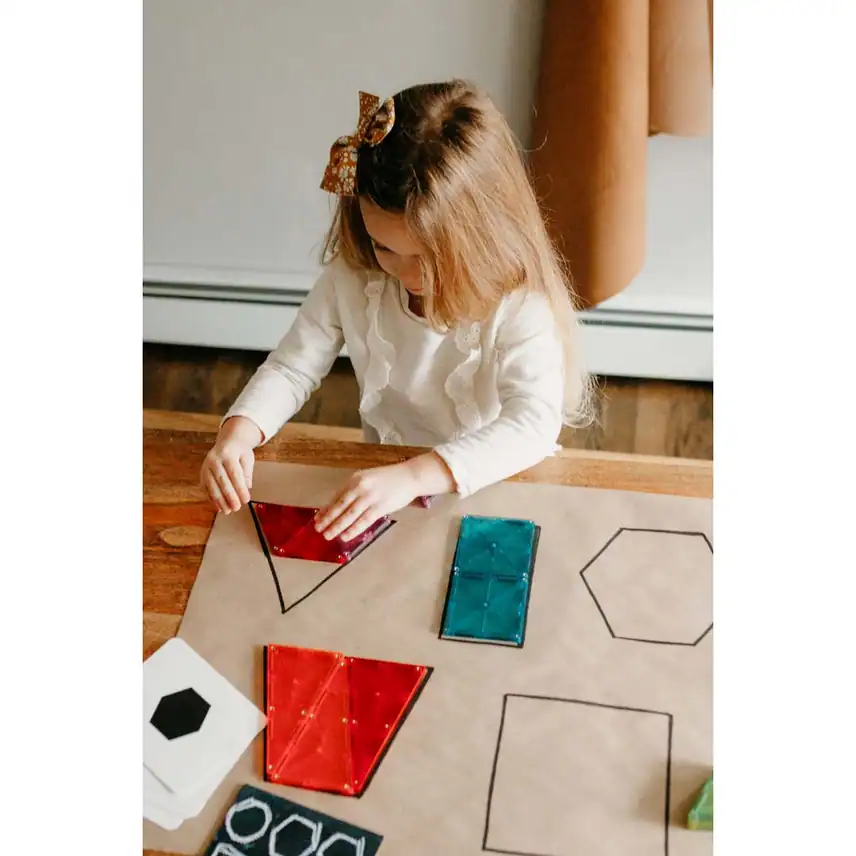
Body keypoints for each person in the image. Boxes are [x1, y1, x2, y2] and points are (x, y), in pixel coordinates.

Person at [200, 80, 592, 543]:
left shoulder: (517, 301)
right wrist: (239, 434)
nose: (405, 273)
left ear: (482, 238)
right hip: (385, 484)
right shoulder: (356, 274)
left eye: (428, 257)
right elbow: (292, 368)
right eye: (384, 247)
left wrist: (414, 477)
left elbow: (531, 424)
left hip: (488, 481)